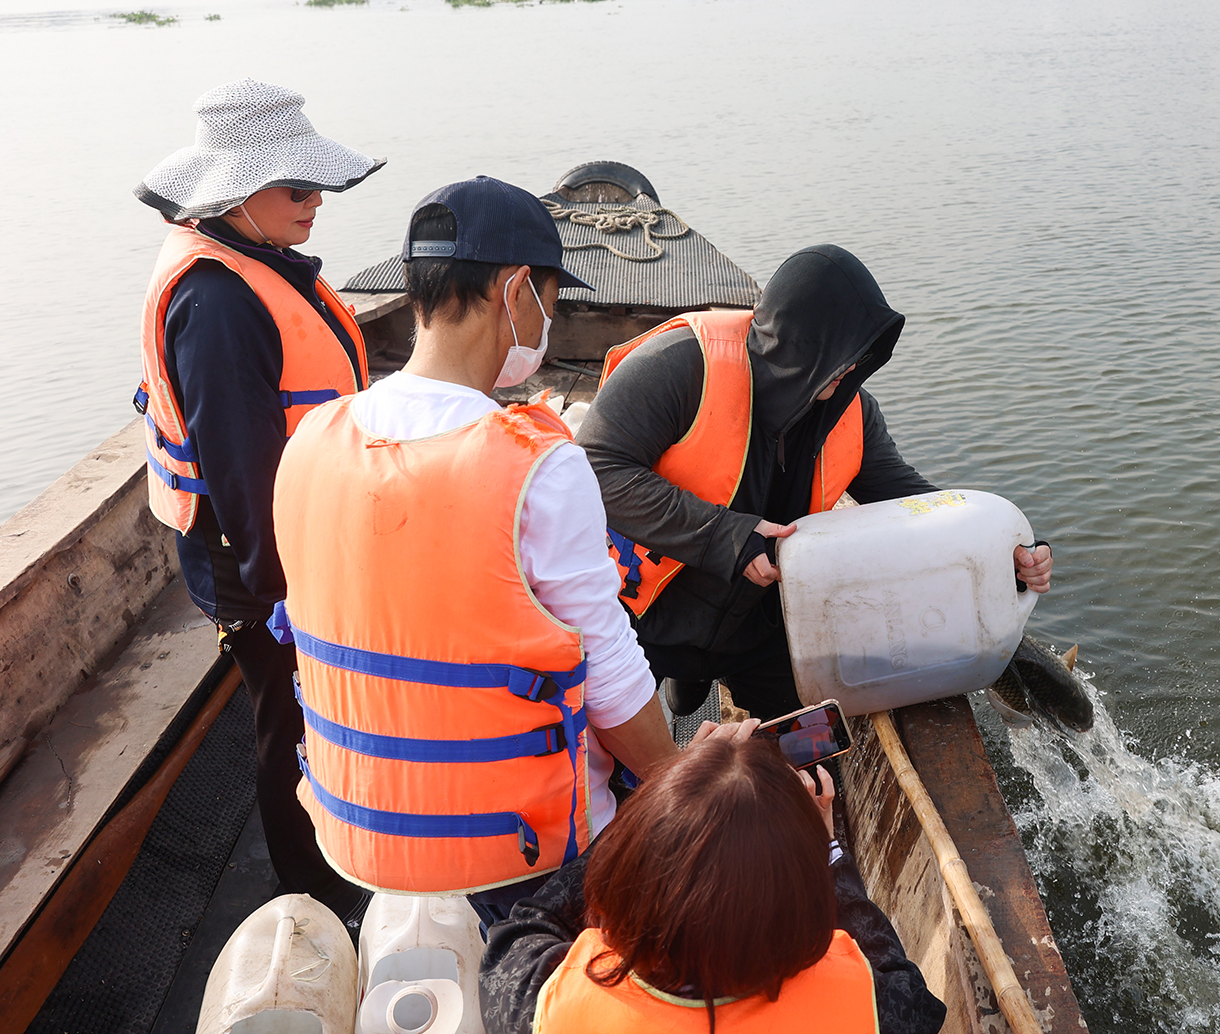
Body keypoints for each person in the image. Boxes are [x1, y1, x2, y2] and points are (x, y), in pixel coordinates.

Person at [271, 176, 686, 932]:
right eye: (552, 299)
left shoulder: (310, 439)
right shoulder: (537, 464)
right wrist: (680, 784)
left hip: (360, 836)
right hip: (524, 861)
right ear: (517, 289)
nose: (550, 320)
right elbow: (615, 683)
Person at [578, 244, 1054, 720]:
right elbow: (596, 467)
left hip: (762, 627)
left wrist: (999, 551)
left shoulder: (853, 412)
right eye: (840, 353)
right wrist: (729, 537)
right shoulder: (679, 365)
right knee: (613, 763)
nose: (851, 369)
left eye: (861, 355)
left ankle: (709, 670)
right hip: (641, 613)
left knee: (810, 756)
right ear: (799, 343)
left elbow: (909, 501)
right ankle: (688, 673)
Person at [133, 77, 384, 922]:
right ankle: (311, 890)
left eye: (319, 186)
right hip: (257, 560)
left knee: (312, 706)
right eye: (299, 187)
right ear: (237, 192)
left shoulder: (253, 263)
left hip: (295, 536)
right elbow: (242, 472)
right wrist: (285, 592)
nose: (317, 203)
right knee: (289, 717)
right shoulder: (218, 304)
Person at [479, 734, 947, 1034]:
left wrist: (662, 805)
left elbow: (525, 924)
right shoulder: (873, 1009)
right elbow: (906, 985)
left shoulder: (546, 1004)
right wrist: (828, 852)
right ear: (804, 906)